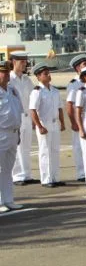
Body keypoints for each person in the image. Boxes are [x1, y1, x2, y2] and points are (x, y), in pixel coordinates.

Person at [29, 63, 65, 188]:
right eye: (45, 74)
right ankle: (46, 179)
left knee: (55, 151)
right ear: (38, 77)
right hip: (44, 124)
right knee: (45, 152)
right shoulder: (37, 92)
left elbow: (60, 108)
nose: (49, 75)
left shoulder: (54, 90)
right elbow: (33, 110)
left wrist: (62, 122)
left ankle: (55, 177)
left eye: (49, 73)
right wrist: (39, 126)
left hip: (55, 124)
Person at [0, 60, 24, 212]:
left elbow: (18, 112)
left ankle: (8, 200)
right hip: (1, 134)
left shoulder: (13, 90)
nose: (7, 75)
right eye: (4, 72)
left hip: (13, 134)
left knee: (8, 169)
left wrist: (19, 132)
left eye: (8, 72)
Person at [9, 53, 34, 186]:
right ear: (13, 61)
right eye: (21, 61)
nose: (25, 64)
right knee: (17, 147)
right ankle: (17, 175)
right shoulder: (9, 80)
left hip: (27, 117)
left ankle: (27, 174)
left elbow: (32, 100)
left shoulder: (27, 80)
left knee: (26, 147)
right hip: (16, 117)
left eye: (25, 61)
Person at [66, 55, 86, 182]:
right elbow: (69, 105)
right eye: (84, 64)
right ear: (77, 68)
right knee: (79, 147)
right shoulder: (74, 84)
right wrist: (73, 122)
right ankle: (81, 173)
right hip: (79, 119)